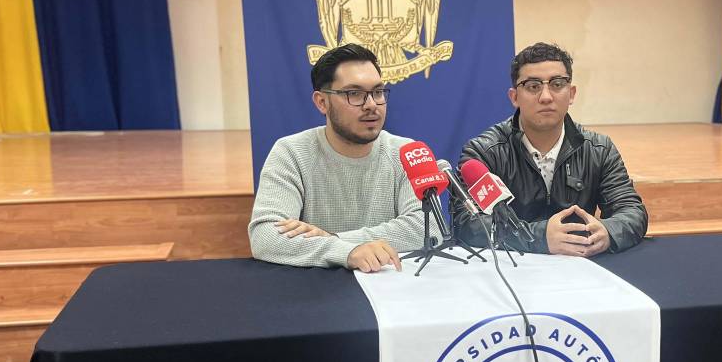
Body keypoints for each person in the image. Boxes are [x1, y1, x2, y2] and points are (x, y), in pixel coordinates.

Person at [249, 43, 441, 272]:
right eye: (354, 94)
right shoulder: (291, 152)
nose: (371, 105)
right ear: (322, 102)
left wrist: (336, 238)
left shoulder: (406, 153)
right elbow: (265, 236)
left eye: (378, 92)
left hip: (390, 284)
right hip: (318, 288)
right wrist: (346, 253)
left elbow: (430, 228)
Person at [452, 42, 647, 257]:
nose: (546, 96)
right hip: (512, 268)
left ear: (571, 93)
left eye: (557, 84)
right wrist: (539, 237)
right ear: (514, 97)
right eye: (533, 86)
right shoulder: (483, 153)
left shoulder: (599, 149)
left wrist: (608, 231)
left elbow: (632, 212)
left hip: (582, 268)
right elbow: (467, 224)